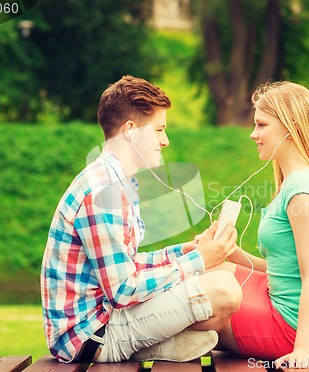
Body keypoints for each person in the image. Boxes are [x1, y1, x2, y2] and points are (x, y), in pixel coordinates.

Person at [41, 75, 242, 364]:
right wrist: (197, 263)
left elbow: (126, 265)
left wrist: (185, 251)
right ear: (131, 132)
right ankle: (143, 347)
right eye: (159, 129)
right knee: (224, 290)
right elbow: (123, 290)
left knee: (220, 274)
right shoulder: (102, 193)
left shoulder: (116, 182)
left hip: (106, 316)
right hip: (90, 335)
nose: (165, 140)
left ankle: (149, 347)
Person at [213, 81, 309, 369]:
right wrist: (231, 255)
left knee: (204, 293)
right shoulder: (292, 183)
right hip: (276, 300)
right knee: (208, 267)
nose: (253, 134)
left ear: (290, 127)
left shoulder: (302, 190)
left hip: (292, 329)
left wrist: (302, 350)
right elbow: (282, 268)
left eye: (261, 125)